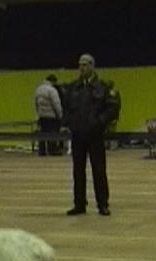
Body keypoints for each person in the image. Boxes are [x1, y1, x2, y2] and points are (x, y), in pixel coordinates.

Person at [62, 53, 120, 216]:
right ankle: (79, 204)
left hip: (95, 136)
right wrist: (70, 123)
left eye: (86, 64)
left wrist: (99, 122)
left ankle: (103, 204)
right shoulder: (73, 88)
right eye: (80, 64)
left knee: (99, 170)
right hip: (78, 136)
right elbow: (66, 108)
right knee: (77, 171)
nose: (82, 67)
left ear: (93, 66)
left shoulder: (102, 87)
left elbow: (112, 108)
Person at [34, 74, 63, 156]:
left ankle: (42, 151)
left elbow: (36, 103)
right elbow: (56, 104)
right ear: (53, 81)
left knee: (42, 134)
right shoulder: (52, 90)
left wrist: (38, 113)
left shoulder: (38, 89)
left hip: (42, 116)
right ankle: (52, 150)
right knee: (52, 134)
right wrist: (60, 115)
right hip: (51, 116)